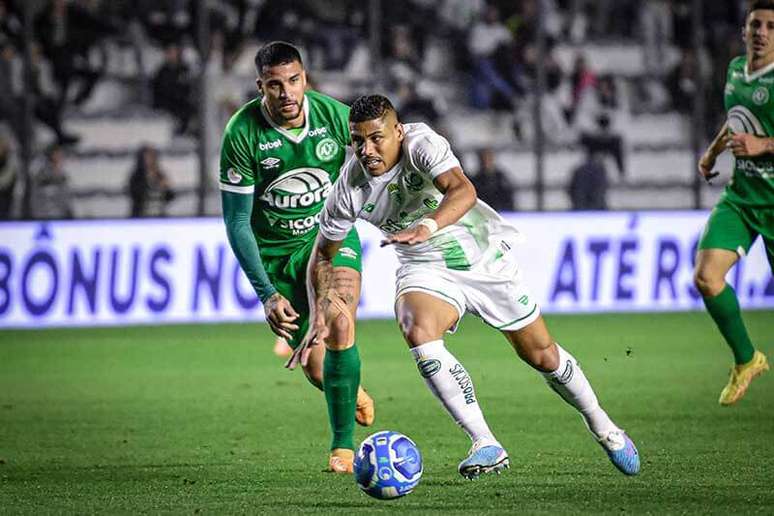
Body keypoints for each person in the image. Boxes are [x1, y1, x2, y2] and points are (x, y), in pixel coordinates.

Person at [303, 94, 640, 479]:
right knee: (417, 329)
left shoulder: (422, 144)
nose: (367, 150)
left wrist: (427, 225)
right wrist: (317, 312)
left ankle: (604, 428)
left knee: (542, 355)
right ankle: (484, 442)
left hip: (479, 256)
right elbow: (324, 255)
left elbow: (463, 190)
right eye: (358, 141)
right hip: (423, 264)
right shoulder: (349, 186)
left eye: (376, 138)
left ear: (398, 131)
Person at [218, 41, 374, 473]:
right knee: (315, 364)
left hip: (329, 239)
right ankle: (347, 386)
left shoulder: (332, 116)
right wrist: (267, 294)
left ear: (305, 78)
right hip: (276, 256)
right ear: (260, 87)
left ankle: (342, 449)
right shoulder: (242, 133)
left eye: (293, 81)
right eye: (274, 85)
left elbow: (382, 151)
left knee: (340, 322)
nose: (286, 93)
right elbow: (236, 223)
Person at [695, 1, 773, 406]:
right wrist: (712, 153)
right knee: (707, 277)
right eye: (755, 24)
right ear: (744, 30)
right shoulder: (735, 70)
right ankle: (747, 359)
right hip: (742, 197)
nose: (762, 32)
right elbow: (737, 120)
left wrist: (765, 145)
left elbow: (757, 137)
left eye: (771, 26)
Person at [128, 145, 174, 217]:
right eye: (148, 157)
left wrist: (166, 188)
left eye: (153, 156)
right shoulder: (137, 176)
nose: (151, 159)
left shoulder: (160, 174)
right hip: (142, 215)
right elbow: (134, 194)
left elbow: (170, 197)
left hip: (159, 215)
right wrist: (150, 182)